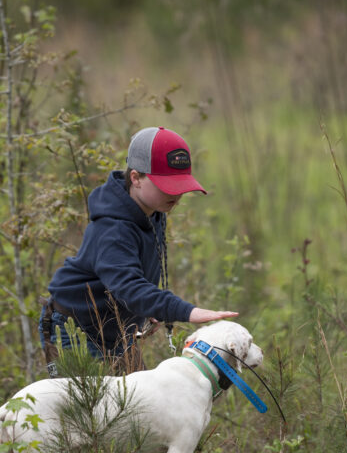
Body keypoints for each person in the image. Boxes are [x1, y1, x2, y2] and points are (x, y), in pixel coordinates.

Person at [40, 126, 238, 375]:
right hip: (75, 329)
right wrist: (188, 312)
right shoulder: (113, 228)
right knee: (93, 413)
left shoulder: (153, 210)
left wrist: (146, 308)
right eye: (167, 185)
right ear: (135, 177)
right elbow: (129, 287)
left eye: (180, 185)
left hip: (117, 332)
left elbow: (131, 275)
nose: (176, 195)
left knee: (140, 410)